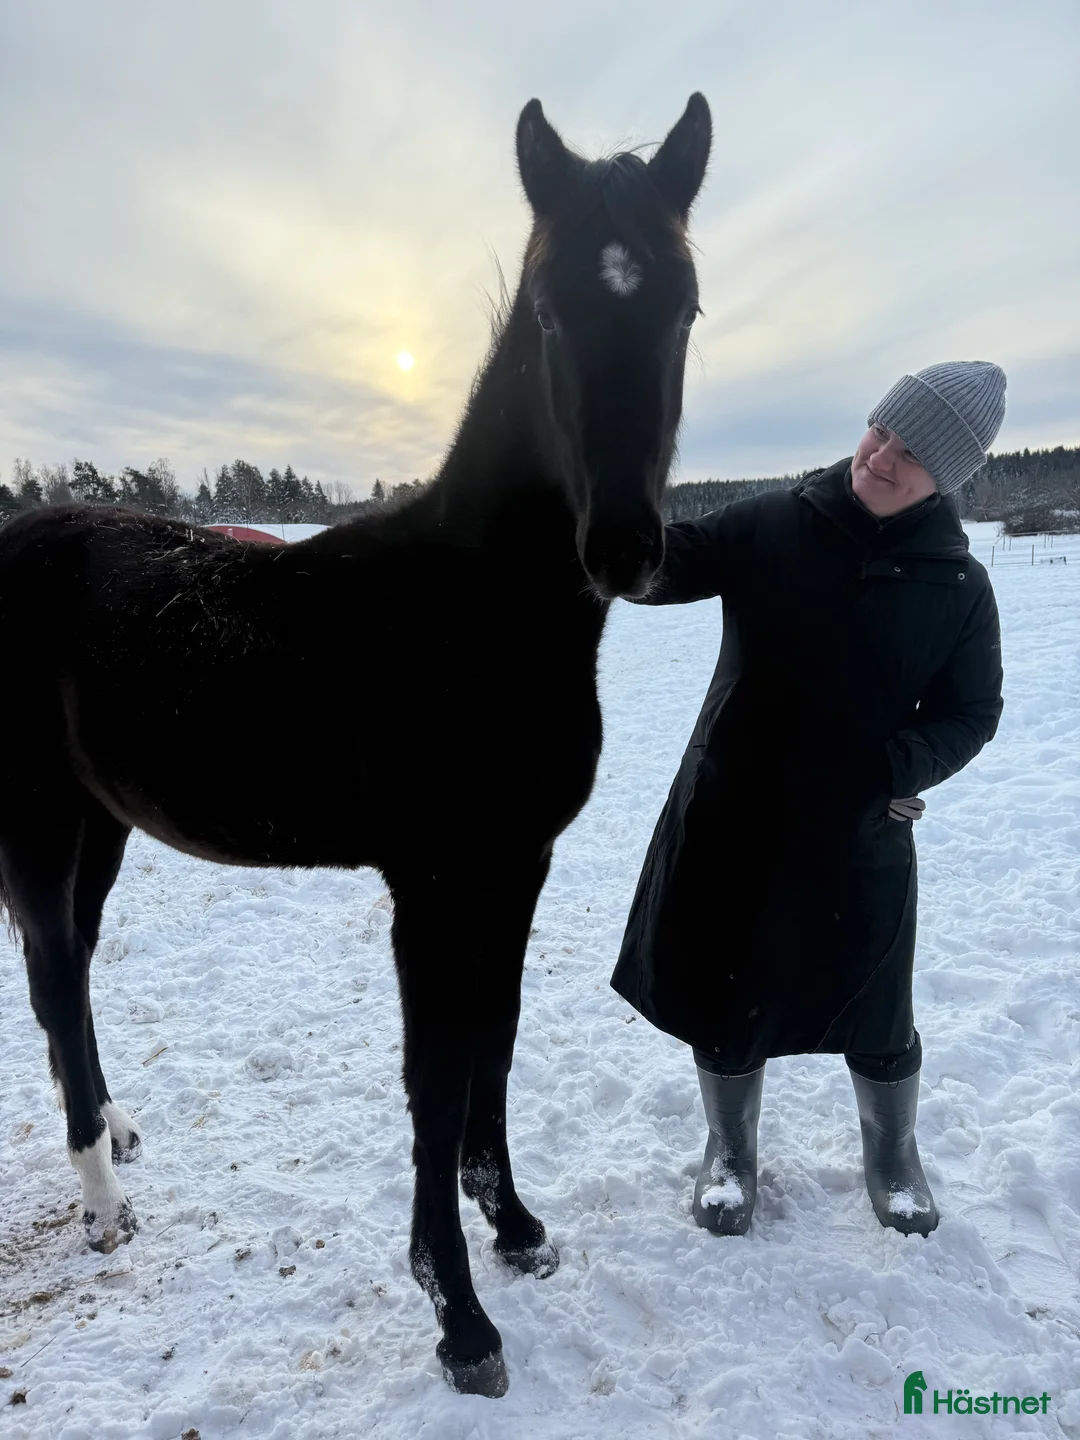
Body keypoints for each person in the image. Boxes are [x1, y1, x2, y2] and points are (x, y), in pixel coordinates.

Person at [611, 361, 1007, 1238]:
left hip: (857, 829)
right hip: (731, 815)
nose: (882, 458)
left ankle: (892, 1154)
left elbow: (973, 712)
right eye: (881, 432)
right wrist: (605, 526)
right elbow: (662, 567)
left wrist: (899, 767)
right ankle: (730, 1151)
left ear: (948, 478)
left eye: (912, 454)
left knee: (875, 1005)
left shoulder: (957, 586)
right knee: (728, 990)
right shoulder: (772, 523)